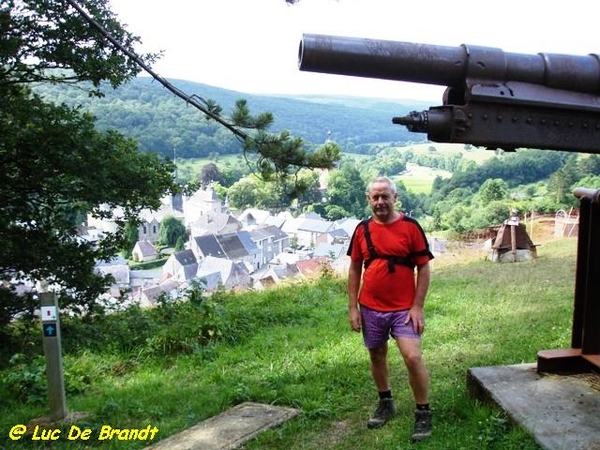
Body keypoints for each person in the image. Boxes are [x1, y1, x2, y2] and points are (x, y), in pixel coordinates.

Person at [347, 176, 434, 442]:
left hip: (404, 310)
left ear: (395, 198)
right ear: (369, 200)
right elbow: (354, 269)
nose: (381, 202)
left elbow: (424, 267)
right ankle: (386, 402)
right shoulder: (362, 230)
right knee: (376, 354)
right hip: (371, 307)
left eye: (385, 196)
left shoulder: (410, 227)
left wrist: (418, 307)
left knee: (412, 357)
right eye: (376, 197)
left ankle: (423, 412)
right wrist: (353, 307)